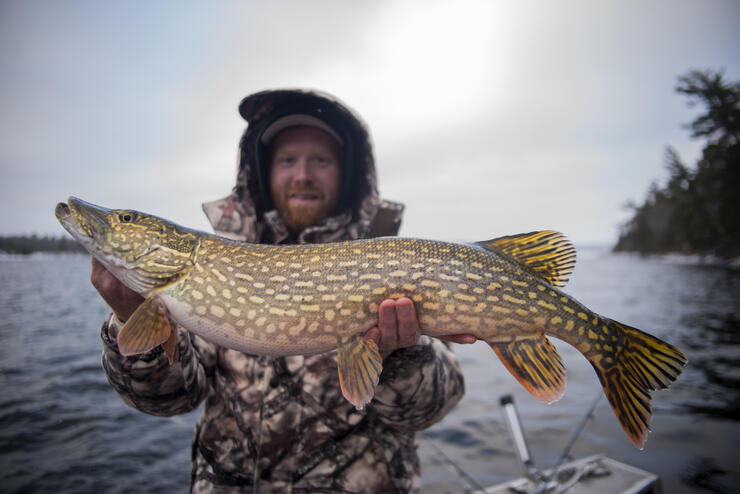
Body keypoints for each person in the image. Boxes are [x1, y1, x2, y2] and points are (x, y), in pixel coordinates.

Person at [91, 89, 471, 493]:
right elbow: (169, 399)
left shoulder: (390, 259)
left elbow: (431, 407)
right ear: (262, 170)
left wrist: (399, 355)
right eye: (287, 160)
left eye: (319, 160)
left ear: (347, 172)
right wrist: (132, 321)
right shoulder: (214, 266)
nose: (302, 174)